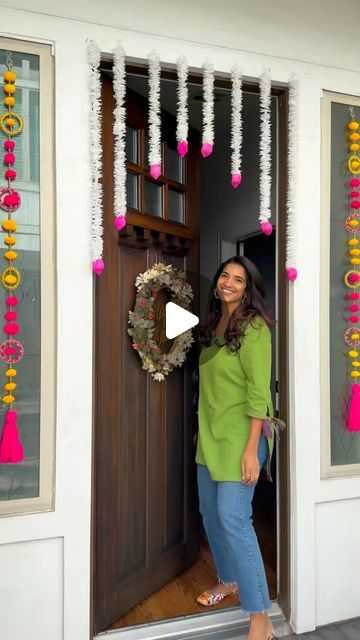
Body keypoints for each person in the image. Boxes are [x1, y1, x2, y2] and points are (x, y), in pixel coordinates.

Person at [195, 255, 276, 640]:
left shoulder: (255, 328)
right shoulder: (213, 326)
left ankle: (260, 615)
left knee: (234, 519)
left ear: (249, 288)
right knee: (210, 513)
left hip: (243, 438)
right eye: (224, 276)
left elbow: (260, 394)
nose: (228, 282)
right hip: (210, 437)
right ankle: (229, 581)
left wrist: (250, 450)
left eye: (238, 279)